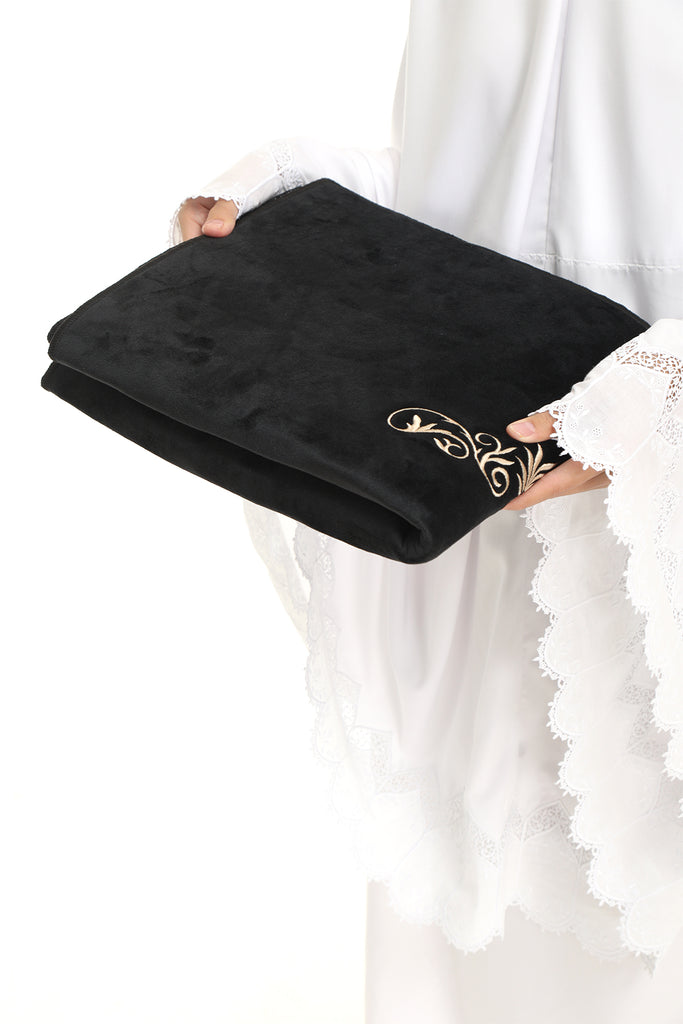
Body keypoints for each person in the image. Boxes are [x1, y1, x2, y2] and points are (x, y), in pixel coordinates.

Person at [170, 2, 683, 1020]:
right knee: (476, 936)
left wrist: (665, 388)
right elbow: (484, 197)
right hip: (474, 533)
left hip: (644, 546)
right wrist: (298, 200)